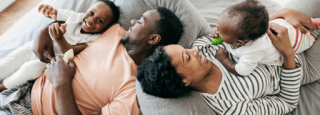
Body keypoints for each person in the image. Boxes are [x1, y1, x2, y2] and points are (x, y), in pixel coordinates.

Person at [137, 8, 320, 115]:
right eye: (187, 57)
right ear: (185, 80)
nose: (194, 50)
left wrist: (283, 13)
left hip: (278, 28)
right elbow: (287, 102)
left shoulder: (202, 48)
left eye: (186, 49)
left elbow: (236, 30)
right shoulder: (231, 106)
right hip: (302, 62)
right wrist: (288, 53)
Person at [29, 7, 183, 115]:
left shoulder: (134, 90)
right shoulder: (115, 31)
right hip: (30, 82)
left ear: (153, 39)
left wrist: (61, 83)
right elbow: (79, 22)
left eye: (141, 22)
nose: (133, 21)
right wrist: (43, 32)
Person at [0, 0, 120, 91]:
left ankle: (3, 86)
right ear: (87, 10)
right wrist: (48, 11)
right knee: (9, 62)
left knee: (29, 69)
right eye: (91, 13)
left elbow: (71, 52)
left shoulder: (94, 39)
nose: (91, 20)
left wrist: (59, 38)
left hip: (48, 62)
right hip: (33, 47)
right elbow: (55, 14)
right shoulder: (74, 16)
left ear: (106, 28)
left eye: (100, 21)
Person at [210, 0, 320, 76]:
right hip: (282, 24)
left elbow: (241, 70)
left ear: (240, 42)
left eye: (221, 31)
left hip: (296, 42)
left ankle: (315, 31)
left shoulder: (253, 51)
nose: (217, 30)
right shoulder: (254, 28)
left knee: (309, 37)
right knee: (279, 23)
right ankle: (313, 23)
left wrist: (224, 59)